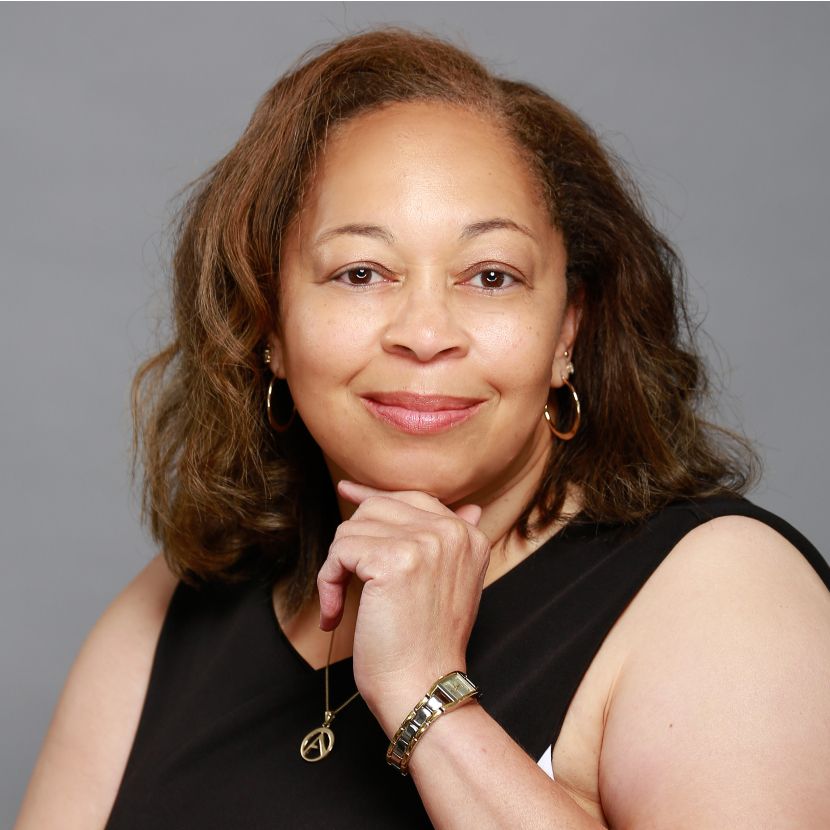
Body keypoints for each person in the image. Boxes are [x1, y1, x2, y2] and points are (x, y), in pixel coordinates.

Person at [15, 28, 830, 830]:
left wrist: (426, 697)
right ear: (268, 325)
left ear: (566, 331)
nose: (427, 333)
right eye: (361, 272)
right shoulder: (171, 611)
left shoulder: (724, 591)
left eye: (491, 276)